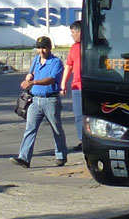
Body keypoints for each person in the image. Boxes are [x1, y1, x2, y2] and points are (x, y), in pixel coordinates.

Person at [9, 36, 68, 168]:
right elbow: (31, 73)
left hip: (50, 100)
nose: (41, 51)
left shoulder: (56, 62)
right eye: (39, 48)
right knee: (30, 129)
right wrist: (28, 77)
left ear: (49, 48)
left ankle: (61, 155)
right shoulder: (36, 60)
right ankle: (24, 158)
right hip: (35, 100)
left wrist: (33, 81)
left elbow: (52, 79)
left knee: (56, 129)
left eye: (44, 48)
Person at [61, 20, 83, 151]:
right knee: (78, 115)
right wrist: (63, 83)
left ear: (80, 32)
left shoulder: (91, 45)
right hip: (77, 87)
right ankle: (82, 140)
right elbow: (68, 66)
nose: (72, 35)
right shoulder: (74, 47)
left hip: (89, 86)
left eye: (73, 32)